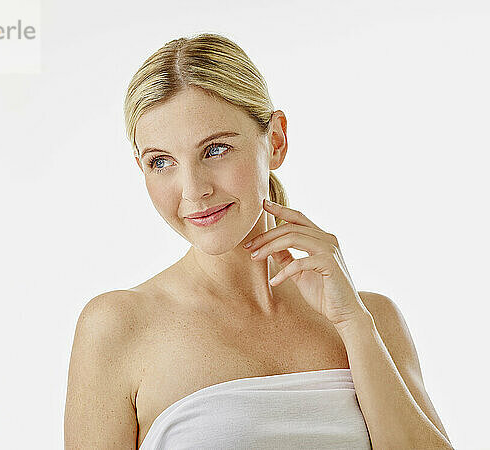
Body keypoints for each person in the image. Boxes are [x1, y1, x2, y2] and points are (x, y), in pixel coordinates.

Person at [65, 33, 453, 449]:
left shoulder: (371, 319)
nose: (193, 190)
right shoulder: (119, 327)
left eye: (215, 150)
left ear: (276, 141)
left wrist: (354, 326)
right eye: (161, 162)